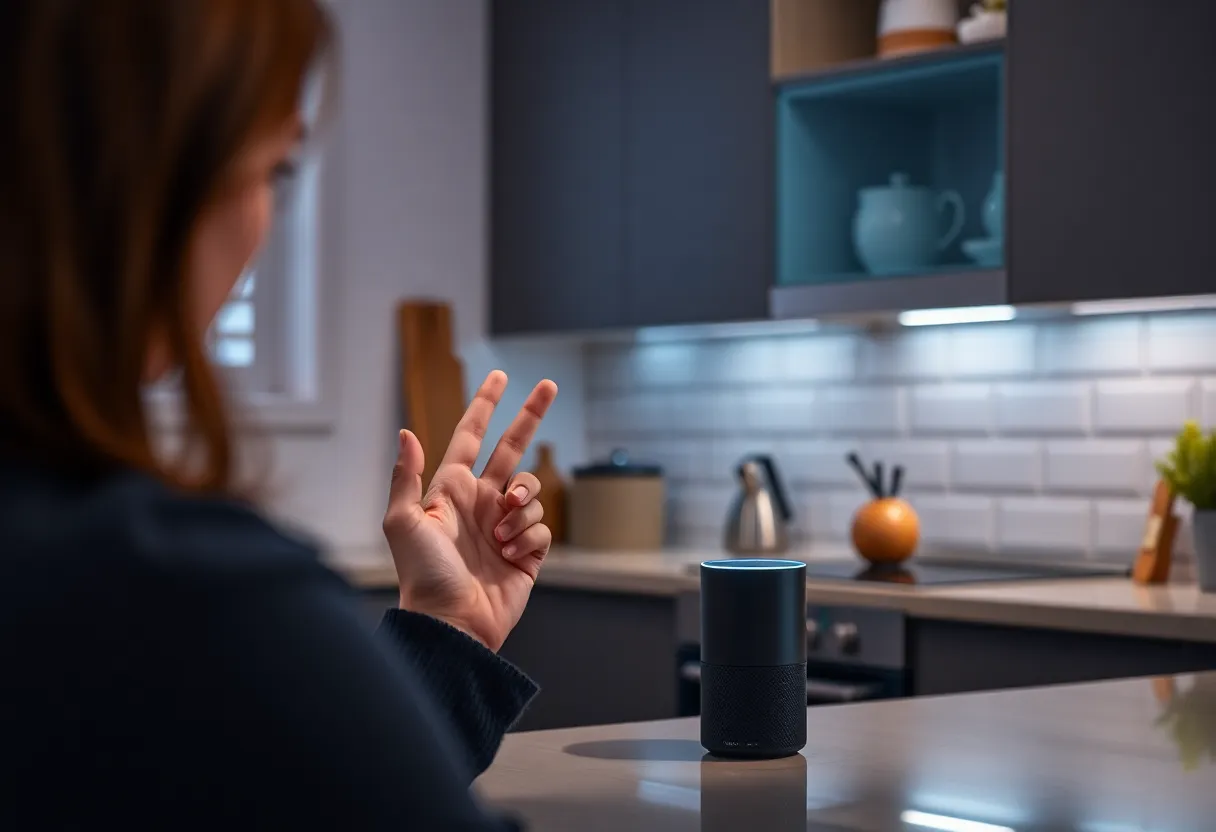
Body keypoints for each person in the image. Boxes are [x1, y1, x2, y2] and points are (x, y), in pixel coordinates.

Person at [0, 1, 551, 828]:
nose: (261, 223)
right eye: (272, 170)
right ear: (144, 180)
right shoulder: (185, 597)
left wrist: (447, 635)